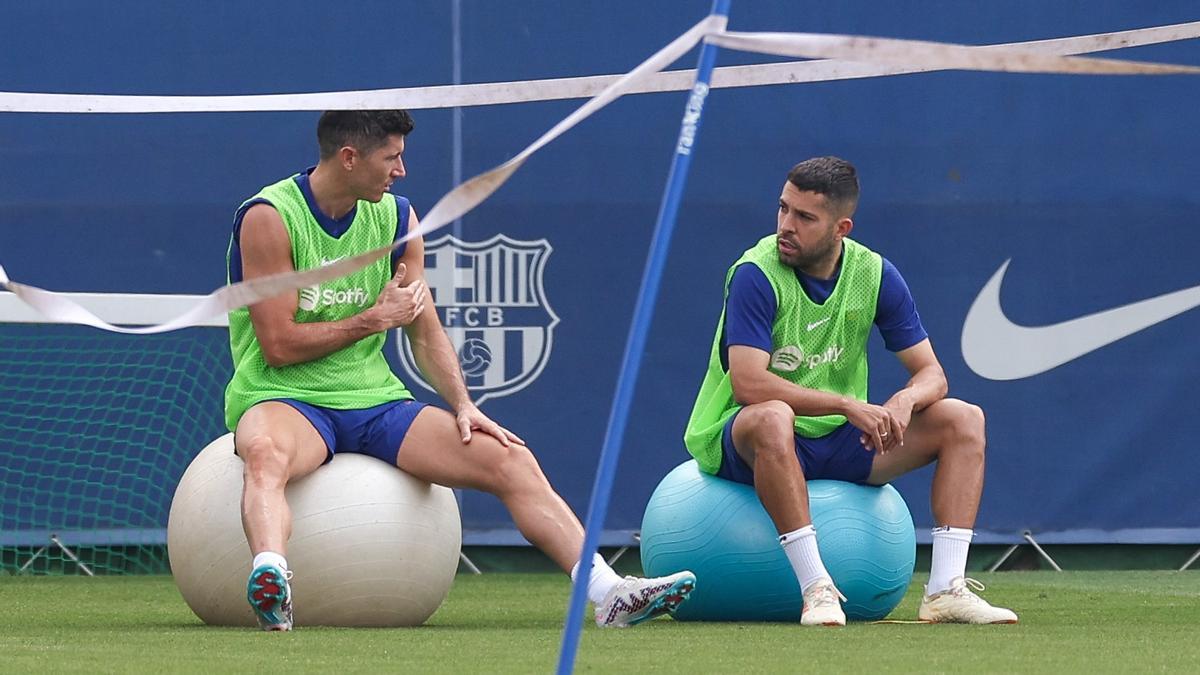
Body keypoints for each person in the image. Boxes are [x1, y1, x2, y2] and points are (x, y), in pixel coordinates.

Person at [224, 110, 694, 631]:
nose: (401, 170)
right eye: (391, 158)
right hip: (285, 398)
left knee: (509, 458)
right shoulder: (270, 217)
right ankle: (272, 578)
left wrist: (464, 405)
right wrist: (372, 319)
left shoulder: (398, 219)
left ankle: (609, 593)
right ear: (350, 157)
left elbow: (424, 330)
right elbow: (279, 345)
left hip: (373, 401)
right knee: (265, 455)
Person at [684, 156, 1017, 627]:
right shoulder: (755, 273)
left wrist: (904, 401)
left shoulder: (874, 274)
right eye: (783, 208)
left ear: (841, 228)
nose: (786, 226)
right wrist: (846, 404)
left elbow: (932, 374)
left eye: (805, 217)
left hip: (838, 440)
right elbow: (749, 384)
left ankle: (945, 589)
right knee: (773, 415)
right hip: (746, 442)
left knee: (964, 418)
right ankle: (816, 587)